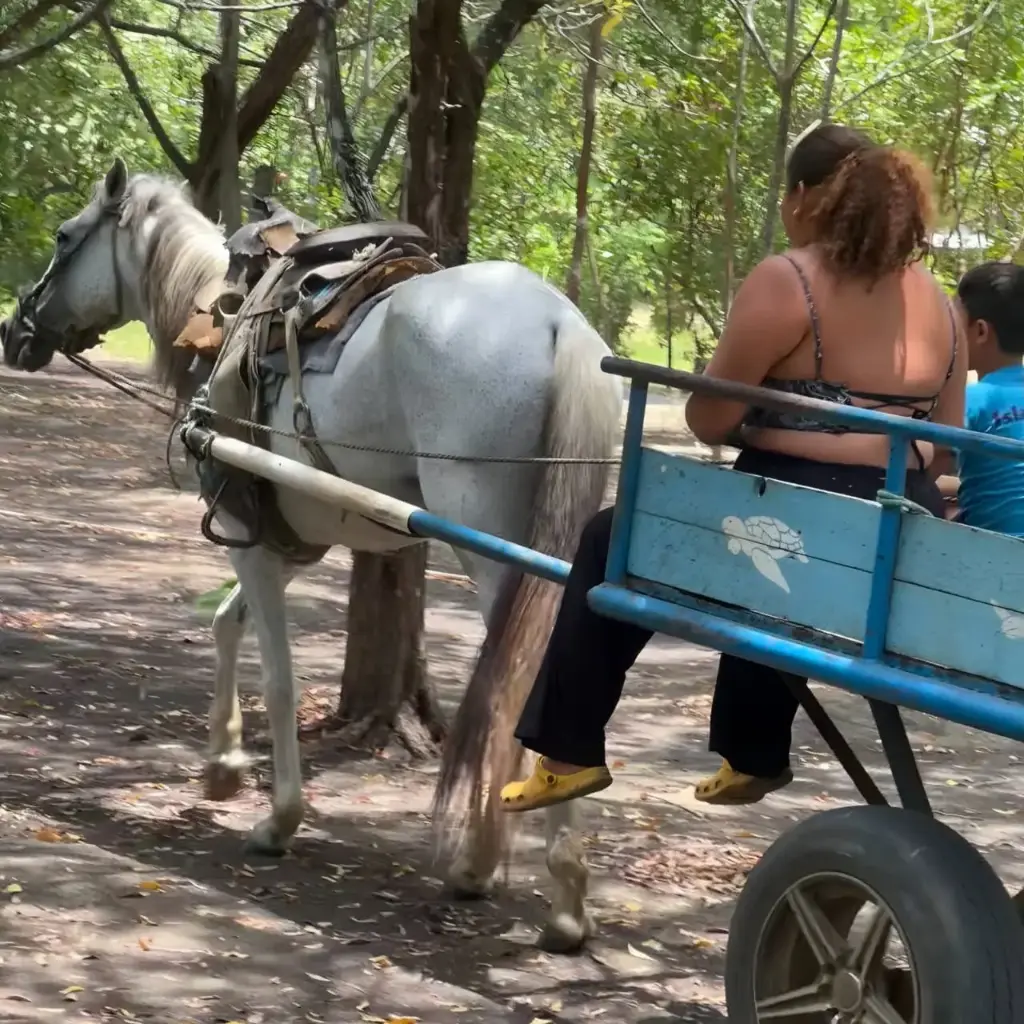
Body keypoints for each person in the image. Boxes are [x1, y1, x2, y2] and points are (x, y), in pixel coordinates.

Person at [500, 123, 966, 813]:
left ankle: (567, 753)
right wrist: (874, 448)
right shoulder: (943, 303)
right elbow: (947, 443)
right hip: (902, 515)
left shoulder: (790, 281)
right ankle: (752, 753)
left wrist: (782, 427)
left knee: (614, 539)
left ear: (806, 198)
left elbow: (708, 420)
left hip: (799, 506)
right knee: (776, 563)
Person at [936, 262, 1024, 535]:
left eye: (954, 322)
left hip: (996, 550)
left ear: (981, 331)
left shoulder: (972, 400)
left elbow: (924, 469)